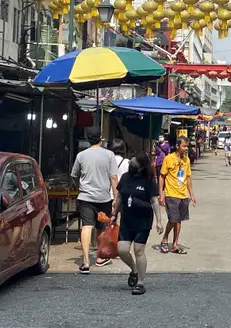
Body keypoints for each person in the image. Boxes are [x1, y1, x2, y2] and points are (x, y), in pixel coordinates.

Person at [111, 152, 163, 295]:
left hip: (143, 221)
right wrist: (114, 214)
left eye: (133, 163)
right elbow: (120, 197)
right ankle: (134, 270)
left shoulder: (149, 181)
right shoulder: (125, 178)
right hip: (126, 220)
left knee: (139, 251)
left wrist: (159, 221)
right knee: (121, 250)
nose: (130, 164)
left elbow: (154, 201)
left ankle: (140, 282)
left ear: (140, 166)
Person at [70, 125, 119, 274]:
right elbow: (114, 177)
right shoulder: (109, 155)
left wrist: (79, 187)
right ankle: (99, 257)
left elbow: (74, 175)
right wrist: (116, 198)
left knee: (86, 226)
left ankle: (85, 262)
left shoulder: (81, 155)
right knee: (101, 227)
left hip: (85, 197)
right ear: (101, 137)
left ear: (87, 138)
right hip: (104, 197)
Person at [159, 135, 197, 254]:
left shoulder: (186, 160)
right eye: (184, 146)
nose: (186, 148)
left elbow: (188, 177)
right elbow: (162, 176)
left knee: (179, 220)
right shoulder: (168, 159)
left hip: (183, 195)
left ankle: (175, 244)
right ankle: (165, 239)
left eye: (187, 146)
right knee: (173, 219)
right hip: (171, 194)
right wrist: (161, 193)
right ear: (177, 146)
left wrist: (191, 194)